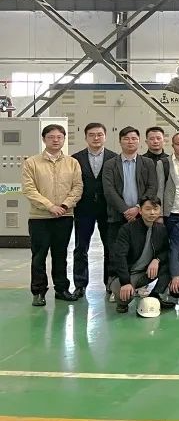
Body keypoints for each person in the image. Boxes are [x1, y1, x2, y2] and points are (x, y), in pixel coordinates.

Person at [22, 124, 83, 306]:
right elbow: (29, 189)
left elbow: (78, 187)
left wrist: (64, 205)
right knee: (39, 256)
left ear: (64, 139)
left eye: (59, 137)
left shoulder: (72, 163)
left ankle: (61, 289)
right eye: (51, 137)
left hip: (64, 217)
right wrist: (50, 206)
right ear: (44, 139)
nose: (55, 140)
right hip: (39, 218)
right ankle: (38, 292)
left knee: (60, 255)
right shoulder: (31, 163)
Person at [70, 122, 117, 297]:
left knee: (110, 248)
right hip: (84, 209)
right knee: (81, 248)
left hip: (108, 209)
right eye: (91, 135)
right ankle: (80, 285)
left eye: (99, 134)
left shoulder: (114, 158)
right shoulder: (75, 159)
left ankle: (110, 283)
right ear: (85, 137)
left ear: (105, 136)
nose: (96, 138)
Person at [108, 196, 168, 313]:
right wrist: (125, 282)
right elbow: (120, 257)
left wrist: (157, 260)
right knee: (123, 297)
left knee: (169, 265)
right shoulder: (127, 229)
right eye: (148, 209)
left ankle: (155, 296)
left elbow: (166, 250)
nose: (152, 212)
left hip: (147, 272)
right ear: (140, 210)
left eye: (155, 209)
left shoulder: (161, 229)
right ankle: (120, 294)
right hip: (129, 273)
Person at [102, 126, 157, 254]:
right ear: (120, 141)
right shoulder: (110, 164)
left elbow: (152, 187)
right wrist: (125, 210)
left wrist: (138, 207)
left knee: (140, 251)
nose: (130, 141)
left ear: (139, 141)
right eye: (126, 139)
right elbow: (109, 190)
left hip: (141, 215)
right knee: (117, 252)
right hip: (117, 215)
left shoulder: (148, 163)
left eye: (134, 138)